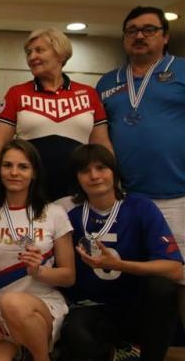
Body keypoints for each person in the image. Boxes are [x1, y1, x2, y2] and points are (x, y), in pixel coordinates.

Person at [95, 6, 185, 319]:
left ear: (165, 37)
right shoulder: (107, 82)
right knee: (130, 276)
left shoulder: (182, 71)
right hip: (128, 198)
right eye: (132, 30)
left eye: (148, 29)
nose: (139, 36)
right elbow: (98, 135)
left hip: (177, 196)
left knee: (179, 278)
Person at [59, 144, 182, 361]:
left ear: (114, 172)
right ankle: (116, 353)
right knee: (75, 335)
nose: (94, 176)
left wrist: (120, 265)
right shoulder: (68, 214)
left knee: (161, 288)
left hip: (135, 309)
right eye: (85, 171)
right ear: (76, 178)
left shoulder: (141, 207)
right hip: (92, 308)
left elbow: (174, 269)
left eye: (101, 168)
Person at [0, 140, 74, 361]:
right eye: (7, 165)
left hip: (41, 306)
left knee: (13, 302)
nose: (14, 173)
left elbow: (68, 276)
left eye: (23, 167)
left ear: (34, 172)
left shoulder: (54, 213)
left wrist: (39, 271)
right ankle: (22, 351)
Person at [0, 28, 112, 201]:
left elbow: (102, 146)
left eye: (39, 50)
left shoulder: (89, 94)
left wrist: (111, 188)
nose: (32, 57)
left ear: (61, 54)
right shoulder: (16, 93)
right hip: (29, 192)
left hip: (78, 192)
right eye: (29, 52)